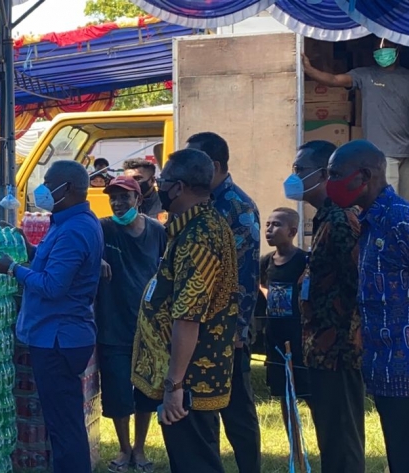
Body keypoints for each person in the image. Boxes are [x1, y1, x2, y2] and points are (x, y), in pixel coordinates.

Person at [326, 140, 409, 473]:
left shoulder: (402, 220)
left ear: (363, 175)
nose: (330, 182)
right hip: (386, 372)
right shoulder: (369, 220)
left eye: (336, 174)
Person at [0, 160, 103, 473]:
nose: (42, 188)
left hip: (58, 339)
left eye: (48, 182)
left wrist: (13, 269)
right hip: (57, 335)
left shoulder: (75, 230)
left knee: (65, 427)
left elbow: (52, 286)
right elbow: (51, 265)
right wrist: (29, 248)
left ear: (65, 188)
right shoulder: (66, 223)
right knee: (62, 422)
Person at [132, 148, 238, 473]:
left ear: (178, 187)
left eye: (162, 181)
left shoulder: (199, 237)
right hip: (190, 376)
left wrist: (175, 386)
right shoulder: (195, 226)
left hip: (191, 381)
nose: (159, 187)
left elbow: (188, 317)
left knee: (195, 463)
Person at [283, 140, 364, 472]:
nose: (294, 178)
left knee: (342, 438)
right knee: (330, 437)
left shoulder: (342, 221)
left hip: (339, 351)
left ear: (324, 174)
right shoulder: (324, 220)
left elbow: (358, 283)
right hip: (321, 348)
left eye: (300, 171)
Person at [185, 132, 261, 473]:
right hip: (196, 325)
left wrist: (236, 330)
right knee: (201, 409)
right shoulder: (196, 201)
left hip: (227, 330)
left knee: (237, 411)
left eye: (194, 162)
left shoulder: (237, 207)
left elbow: (244, 277)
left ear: (214, 166)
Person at [95, 176, 166, 473]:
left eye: (124, 198)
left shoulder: (157, 231)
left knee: (147, 392)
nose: (118, 203)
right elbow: (83, 253)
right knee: (117, 392)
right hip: (113, 323)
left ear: (138, 200)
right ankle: (124, 449)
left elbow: (167, 267)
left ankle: (140, 448)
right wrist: (95, 261)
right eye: (113, 198)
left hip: (149, 326)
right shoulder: (103, 228)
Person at [303, 38, 409, 201]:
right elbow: (334, 80)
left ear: (398, 48)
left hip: (408, 153)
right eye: (378, 47)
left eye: (387, 46)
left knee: (406, 205)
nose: (382, 50)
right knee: (388, 204)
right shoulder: (365, 75)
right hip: (383, 154)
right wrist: (309, 69)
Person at [259, 208, 310, 416]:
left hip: (298, 337)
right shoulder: (265, 262)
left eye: (277, 225)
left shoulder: (304, 261)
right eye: (268, 224)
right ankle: (292, 445)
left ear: (292, 231)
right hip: (275, 338)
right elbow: (263, 287)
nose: (270, 229)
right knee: (284, 394)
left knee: (307, 391)